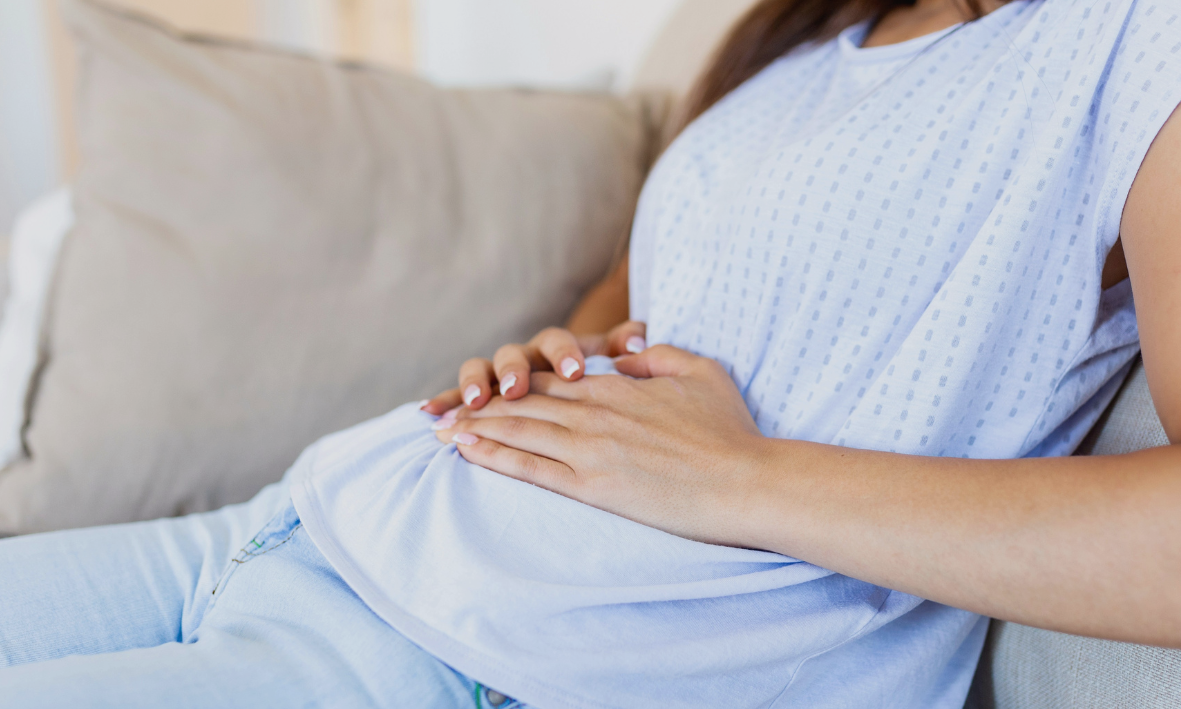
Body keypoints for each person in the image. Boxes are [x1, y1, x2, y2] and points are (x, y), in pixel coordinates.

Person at [2, 0, 1179, 707]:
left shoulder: (1128, 39)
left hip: (483, 655)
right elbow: (647, 297)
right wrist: (561, 348)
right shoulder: (810, 35)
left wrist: (737, 477)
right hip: (310, 520)